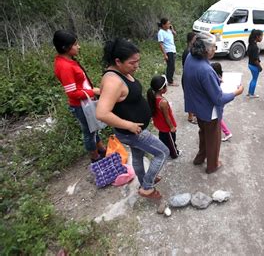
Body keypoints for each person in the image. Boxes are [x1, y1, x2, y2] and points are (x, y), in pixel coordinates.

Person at [96, 39, 169, 201]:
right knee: (163, 152)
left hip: (134, 131)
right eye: (132, 63)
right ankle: (147, 187)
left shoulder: (119, 72)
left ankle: (144, 180)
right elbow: (101, 113)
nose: (136, 66)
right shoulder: (113, 81)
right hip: (133, 132)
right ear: (117, 61)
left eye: (138, 61)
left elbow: (110, 95)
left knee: (137, 156)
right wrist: (129, 125)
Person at [183, 33, 244, 174]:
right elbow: (218, 99)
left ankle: (200, 158)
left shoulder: (190, 58)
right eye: (213, 48)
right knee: (213, 139)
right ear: (205, 50)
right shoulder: (205, 71)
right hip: (209, 111)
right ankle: (212, 165)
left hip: (196, 106)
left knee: (203, 133)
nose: (215, 50)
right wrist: (236, 92)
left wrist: (215, 79)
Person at [53, 30, 106, 163]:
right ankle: (95, 157)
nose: (79, 47)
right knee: (89, 132)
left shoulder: (69, 61)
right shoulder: (64, 66)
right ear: (65, 48)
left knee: (94, 128)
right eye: (75, 44)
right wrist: (92, 92)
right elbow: (72, 93)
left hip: (86, 102)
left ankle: (101, 149)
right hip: (80, 105)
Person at [147, 75, 180, 159]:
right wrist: (172, 127)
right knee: (171, 141)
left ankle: (165, 150)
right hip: (167, 127)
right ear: (162, 89)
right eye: (166, 86)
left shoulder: (152, 97)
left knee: (163, 140)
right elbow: (167, 117)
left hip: (160, 126)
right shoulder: (163, 102)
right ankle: (174, 153)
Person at [211, 62, 233, 142]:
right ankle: (226, 132)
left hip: (219, 99)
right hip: (222, 99)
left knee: (218, 118)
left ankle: (227, 132)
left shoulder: (214, 77)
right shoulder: (220, 75)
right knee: (219, 116)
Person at [182, 32, 197, 124]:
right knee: (189, 96)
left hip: (188, 75)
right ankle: (190, 117)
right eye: (195, 38)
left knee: (192, 95)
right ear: (192, 39)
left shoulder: (191, 49)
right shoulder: (188, 51)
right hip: (187, 76)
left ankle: (193, 113)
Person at [158, 18, 178, 86]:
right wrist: (165, 54)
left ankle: (169, 79)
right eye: (168, 24)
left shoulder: (169, 30)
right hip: (168, 51)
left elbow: (175, 34)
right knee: (170, 66)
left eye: (169, 23)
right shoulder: (161, 32)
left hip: (173, 50)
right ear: (163, 25)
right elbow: (161, 44)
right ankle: (170, 81)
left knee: (172, 66)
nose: (169, 25)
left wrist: (172, 29)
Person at [247, 29, 264, 98]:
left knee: (253, 79)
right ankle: (251, 94)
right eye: (261, 36)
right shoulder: (255, 47)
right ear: (257, 37)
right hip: (254, 66)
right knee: (254, 79)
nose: (262, 38)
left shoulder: (251, 44)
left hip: (250, 64)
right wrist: (260, 67)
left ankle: (249, 92)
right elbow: (255, 60)